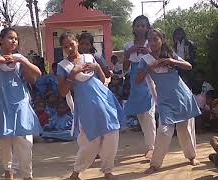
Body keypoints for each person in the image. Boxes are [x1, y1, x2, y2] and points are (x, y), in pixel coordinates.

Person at [57, 32, 124, 180]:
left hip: (103, 100)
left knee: (111, 133)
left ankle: (108, 171)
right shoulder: (63, 66)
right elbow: (62, 92)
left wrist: (97, 67)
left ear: (77, 42)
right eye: (65, 46)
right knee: (90, 140)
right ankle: (76, 173)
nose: (69, 48)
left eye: (71, 44)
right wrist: (72, 75)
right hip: (85, 104)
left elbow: (103, 79)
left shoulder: (89, 58)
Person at [0, 27, 42, 180]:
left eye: (16, 39)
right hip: (2, 105)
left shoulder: (19, 58)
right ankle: (8, 172)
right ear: (1, 40)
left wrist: (22, 61)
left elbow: (37, 74)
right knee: (3, 142)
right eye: (10, 38)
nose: (14, 41)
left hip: (21, 104)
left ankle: (28, 175)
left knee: (25, 141)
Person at [135, 28, 201, 174]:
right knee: (164, 131)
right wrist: (150, 67)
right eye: (150, 39)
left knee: (186, 129)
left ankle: (191, 156)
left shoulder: (170, 54)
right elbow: (138, 81)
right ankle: (155, 164)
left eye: (155, 39)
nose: (152, 42)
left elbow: (189, 66)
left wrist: (172, 61)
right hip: (165, 100)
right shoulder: (145, 60)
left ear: (162, 40)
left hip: (182, 95)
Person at [123, 15, 156, 159]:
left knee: (148, 114)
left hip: (149, 80)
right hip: (135, 82)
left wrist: (148, 53)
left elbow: (158, 62)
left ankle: (152, 147)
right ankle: (150, 144)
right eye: (138, 25)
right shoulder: (128, 45)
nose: (141, 28)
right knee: (141, 115)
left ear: (147, 28)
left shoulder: (152, 43)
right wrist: (128, 53)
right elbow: (125, 68)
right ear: (134, 28)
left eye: (143, 25)